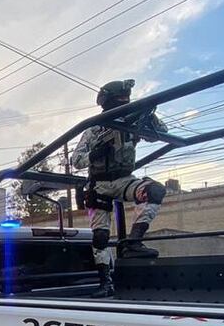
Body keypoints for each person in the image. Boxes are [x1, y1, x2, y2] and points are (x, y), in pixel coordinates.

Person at [72, 79, 169, 298]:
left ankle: (133, 242)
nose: (123, 102)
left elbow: (160, 134)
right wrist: (95, 154)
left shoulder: (133, 119)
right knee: (99, 237)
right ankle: (105, 282)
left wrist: (148, 118)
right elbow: (76, 160)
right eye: (119, 99)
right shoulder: (93, 129)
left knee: (154, 191)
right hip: (99, 184)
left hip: (125, 179)